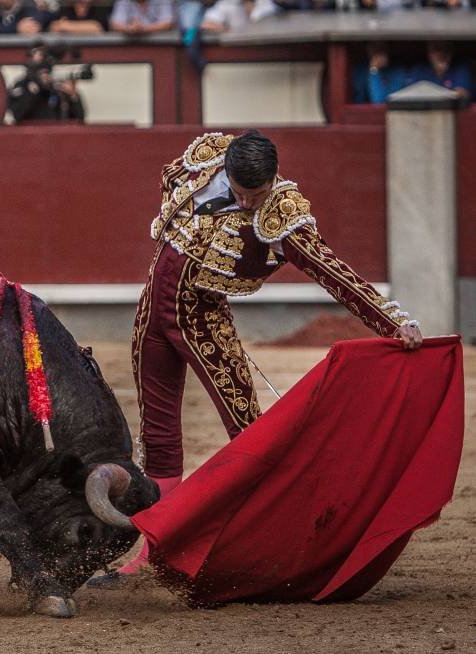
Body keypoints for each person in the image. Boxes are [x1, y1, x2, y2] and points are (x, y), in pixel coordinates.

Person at [88, 130, 423, 587]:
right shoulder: (205, 163)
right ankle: (155, 554)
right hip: (152, 315)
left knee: (249, 435)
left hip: (205, 323)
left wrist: (391, 321)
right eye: (241, 193)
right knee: (159, 438)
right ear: (226, 170)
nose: (248, 204)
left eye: (257, 194)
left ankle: (281, 545)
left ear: (272, 180)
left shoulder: (282, 213)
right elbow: (170, 180)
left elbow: (332, 270)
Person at [7, 56, 85, 123]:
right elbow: (17, 115)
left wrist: (73, 95)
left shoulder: (55, 90)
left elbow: (79, 118)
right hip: (30, 135)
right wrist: (33, 92)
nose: (45, 76)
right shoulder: (23, 86)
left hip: (54, 135)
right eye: (41, 73)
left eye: (47, 73)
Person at [404, 41, 472, 100]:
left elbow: (462, 95)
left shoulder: (460, 66)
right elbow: (410, 96)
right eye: (437, 49)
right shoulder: (419, 69)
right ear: (429, 51)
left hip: (451, 111)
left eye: (447, 49)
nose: (442, 54)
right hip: (425, 112)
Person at [108, 0, 173, 34]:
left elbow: (168, 23)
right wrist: (129, 28)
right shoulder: (123, 1)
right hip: (130, 48)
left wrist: (143, 28)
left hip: (160, 48)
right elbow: (115, 24)